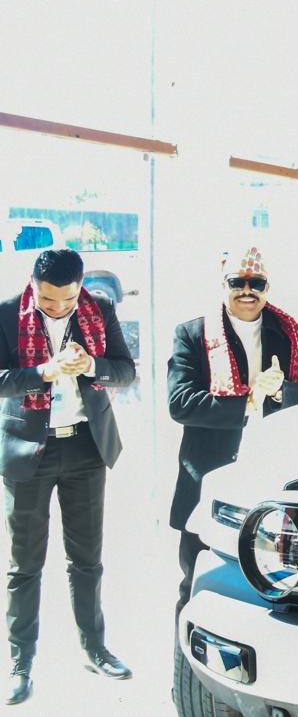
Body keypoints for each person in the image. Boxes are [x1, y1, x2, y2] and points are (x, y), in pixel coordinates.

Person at [0, 250, 135, 705]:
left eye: (67, 299)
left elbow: (125, 370)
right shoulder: (6, 312)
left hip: (85, 446)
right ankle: (20, 662)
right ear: (32, 285)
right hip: (27, 450)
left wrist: (92, 366)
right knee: (24, 564)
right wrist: (43, 372)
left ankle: (94, 648)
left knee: (87, 559)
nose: (57, 308)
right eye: (47, 300)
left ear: (81, 287)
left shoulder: (101, 309)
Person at [167, 246, 298, 619]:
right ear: (223, 285)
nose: (247, 291)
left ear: (268, 288)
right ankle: (186, 658)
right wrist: (249, 402)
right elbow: (180, 402)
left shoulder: (288, 334)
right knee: (197, 584)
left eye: (257, 283)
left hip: (270, 481)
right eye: (238, 282)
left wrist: (282, 390)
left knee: (275, 590)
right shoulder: (193, 334)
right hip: (209, 477)